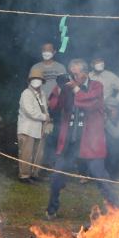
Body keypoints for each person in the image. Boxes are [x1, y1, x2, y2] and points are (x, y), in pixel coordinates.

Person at [46, 59, 119, 219]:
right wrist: (60, 88)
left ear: (85, 73)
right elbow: (53, 106)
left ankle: (118, 210)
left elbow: (88, 102)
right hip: (69, 141)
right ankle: (51, 210)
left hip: (90, 142)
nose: (73, 76)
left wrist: (75, 88)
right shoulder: (67, 86)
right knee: (56, 177)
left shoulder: (97, 86)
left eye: (76, 73)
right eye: (71, 73)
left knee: (100, 176)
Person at [30, 42, 67, 170]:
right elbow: (31, 86)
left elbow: (65, 87)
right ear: (41, 51)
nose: (46, 52)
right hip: (40, 105)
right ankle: (39, 162)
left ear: (54, 52)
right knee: (39, 133)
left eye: (49, 50)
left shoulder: (60, 67)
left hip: (56, 106)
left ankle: (53, 162)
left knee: (55, 133)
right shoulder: (36, 67)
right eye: (44, 50)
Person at [17, 69, 50, 183]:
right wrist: (44, 117)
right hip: (27, 129)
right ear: (29, 81)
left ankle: (35, 174)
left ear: (42, 81)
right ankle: (24, 176)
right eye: (33, 79)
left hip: (39, 128)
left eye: (39, 79)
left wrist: (47, 119)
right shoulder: (26, 93)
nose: (36, 81)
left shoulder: (43, 94)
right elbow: (29, 111)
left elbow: (45, 109)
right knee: (26, 153)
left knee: (38, 153)